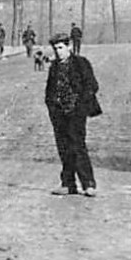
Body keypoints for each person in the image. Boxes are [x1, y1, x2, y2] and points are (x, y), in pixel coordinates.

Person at [44, 36, 101, 197]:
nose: (58, 52)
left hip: (76, 112)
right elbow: (50, 89)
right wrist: (51, 106)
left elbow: (92, 85)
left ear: (69, 47)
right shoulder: (54, 67)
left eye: (61, 48)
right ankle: (68, 184)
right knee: (63, 148)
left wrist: (80, 105)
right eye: (55, 49)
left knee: (77, 146)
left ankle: (88, 183)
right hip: (59, 113)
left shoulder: (81, 63)